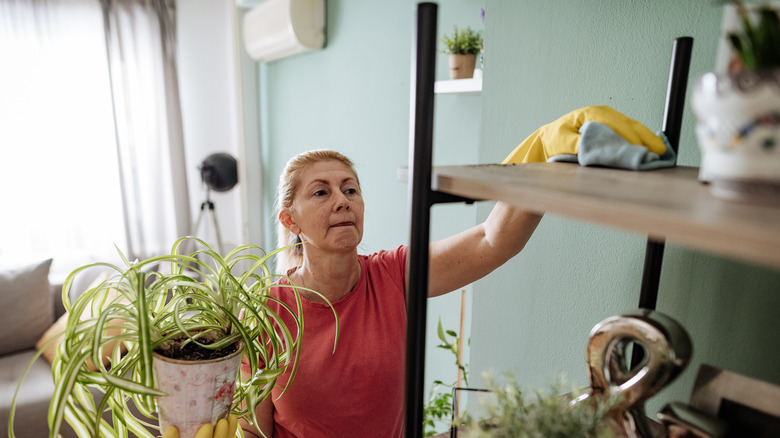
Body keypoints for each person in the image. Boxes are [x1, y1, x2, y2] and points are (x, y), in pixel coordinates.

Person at [239, 149, 542, 437]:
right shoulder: (264, 312)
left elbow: (490, 240)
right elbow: (253, 431)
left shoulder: (393, 274)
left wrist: (549, 162)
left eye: (350, 190)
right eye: (321, 192)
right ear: (290, 220)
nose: (342, 201)